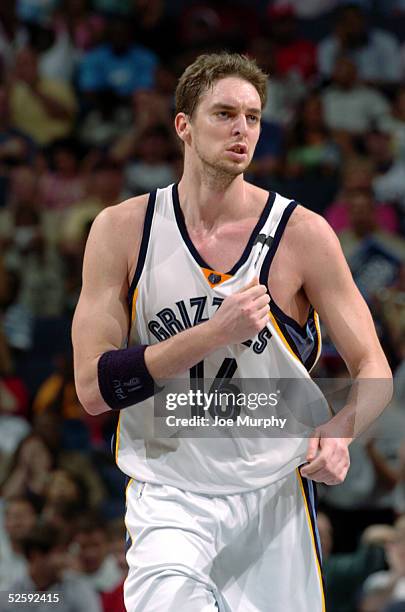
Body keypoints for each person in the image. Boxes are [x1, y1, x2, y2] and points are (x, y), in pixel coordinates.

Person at [72, 52, 393, 611]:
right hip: (170, 493)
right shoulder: (122, 230)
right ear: (184, 126)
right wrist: (211, 334)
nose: (242, 128)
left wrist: (341, 431)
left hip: (275, 496)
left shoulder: (302, 234)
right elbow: (94, 389)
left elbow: (375, 371)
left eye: (253, 116)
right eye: (224, 114)